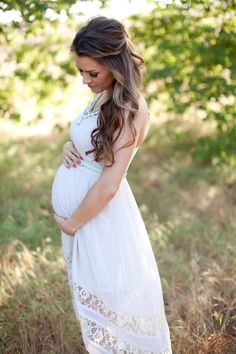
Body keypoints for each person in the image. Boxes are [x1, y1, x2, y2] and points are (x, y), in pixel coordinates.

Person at [51, 16, 172, 354]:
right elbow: (92, 145)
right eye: (81, 72)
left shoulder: (131, 107)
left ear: (115, 65)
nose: (85, 80)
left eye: (93, 73)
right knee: (99, 309)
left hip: (98, 218)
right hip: (86, 219)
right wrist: (68, 146)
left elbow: (109, 184)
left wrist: (73, 223)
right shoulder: (103, 96)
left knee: (111, 307)